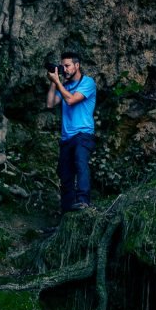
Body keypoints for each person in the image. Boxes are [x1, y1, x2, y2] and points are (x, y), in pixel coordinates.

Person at [46, 52, 97, 212]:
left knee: (81, 164)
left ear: (77, 65)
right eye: (63, 66)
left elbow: (71, 100)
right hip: (67, 137)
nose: (65, 69)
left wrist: (58, 82)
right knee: (65, 174)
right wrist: (54, 82)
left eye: (67, 66)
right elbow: (49, 103)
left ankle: (83, 201)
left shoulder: (88, 82)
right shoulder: (65, 86)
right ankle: (66, 211)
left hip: (83, 134)